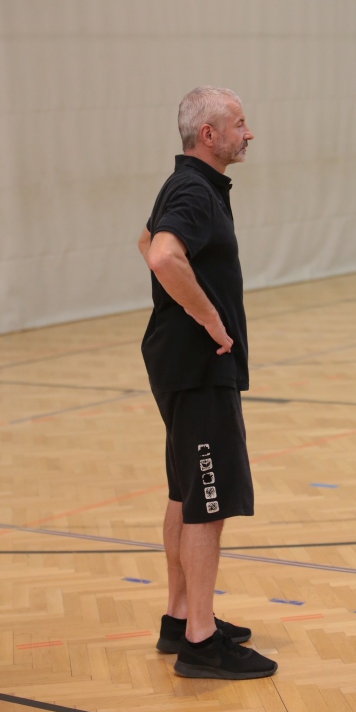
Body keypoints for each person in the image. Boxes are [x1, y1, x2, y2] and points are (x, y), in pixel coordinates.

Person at [138, 86, 277, 680]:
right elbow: (162, 255)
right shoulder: (194, 190)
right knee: (207, 503)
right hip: (197, 367)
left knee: (185, 492)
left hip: (182, 365)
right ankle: (200, 641)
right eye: (239, 124)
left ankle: (179, 617)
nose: (249, 133)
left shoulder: (190, 185)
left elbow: (145, 239)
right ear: (209, 135)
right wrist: (209, 317)